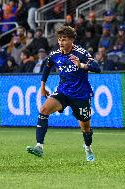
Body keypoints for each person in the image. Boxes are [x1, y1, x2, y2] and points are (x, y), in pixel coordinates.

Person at [26, 26, 101, 161]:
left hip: (81, 95)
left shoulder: (81, 53)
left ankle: (88, 148)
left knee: (85, 127)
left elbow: (97, 67)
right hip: (63, 92)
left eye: (64, 40)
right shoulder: (55, 54)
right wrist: (42, 86)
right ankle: (39, 146)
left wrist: (82, 66)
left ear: (72, 40)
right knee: (43, 109)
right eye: (59, 39)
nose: (61, 42)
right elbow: (46, 67)